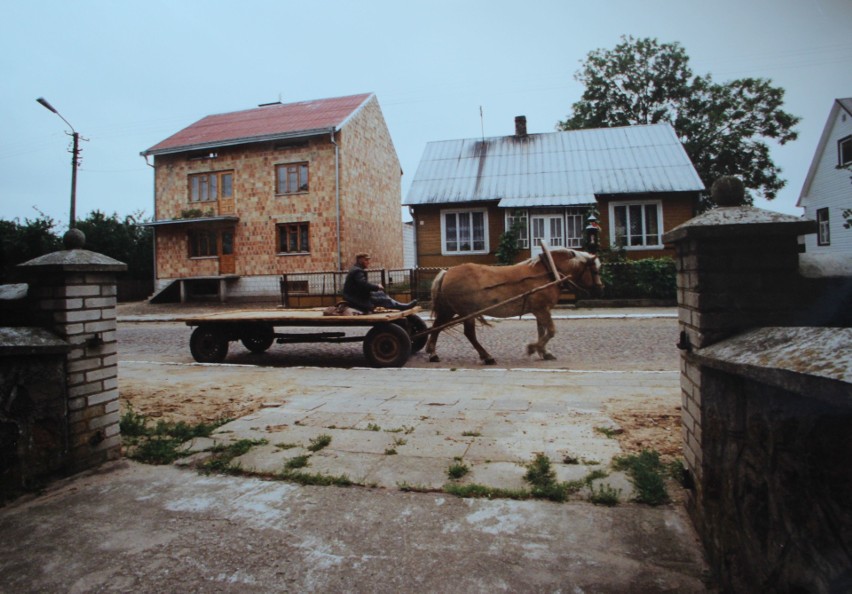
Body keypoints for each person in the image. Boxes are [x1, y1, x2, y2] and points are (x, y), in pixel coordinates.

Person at [342, 252, 417, 312]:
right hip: (355, 297)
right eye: (366, 260)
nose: (368, 262)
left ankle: (399, 305)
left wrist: (376, 288)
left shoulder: (356, 269)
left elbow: (362, 285)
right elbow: (363, 284)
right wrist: (377, 286)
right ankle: (401, 306)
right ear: (360, 260)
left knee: (380, 294)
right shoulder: (357, 271)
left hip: (355, 295)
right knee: (382, 299)